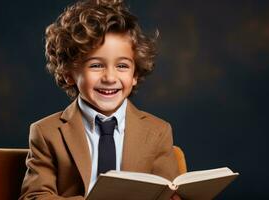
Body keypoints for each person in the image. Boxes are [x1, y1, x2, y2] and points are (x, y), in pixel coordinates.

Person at [19, 0, 181, 199]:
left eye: (122, 66)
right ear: (69, 73)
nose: (110, 78)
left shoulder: (158, 131)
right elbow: (34, 196)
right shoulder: (46, 133)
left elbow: (170, 193)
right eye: (96, 65)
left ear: (135, 75)